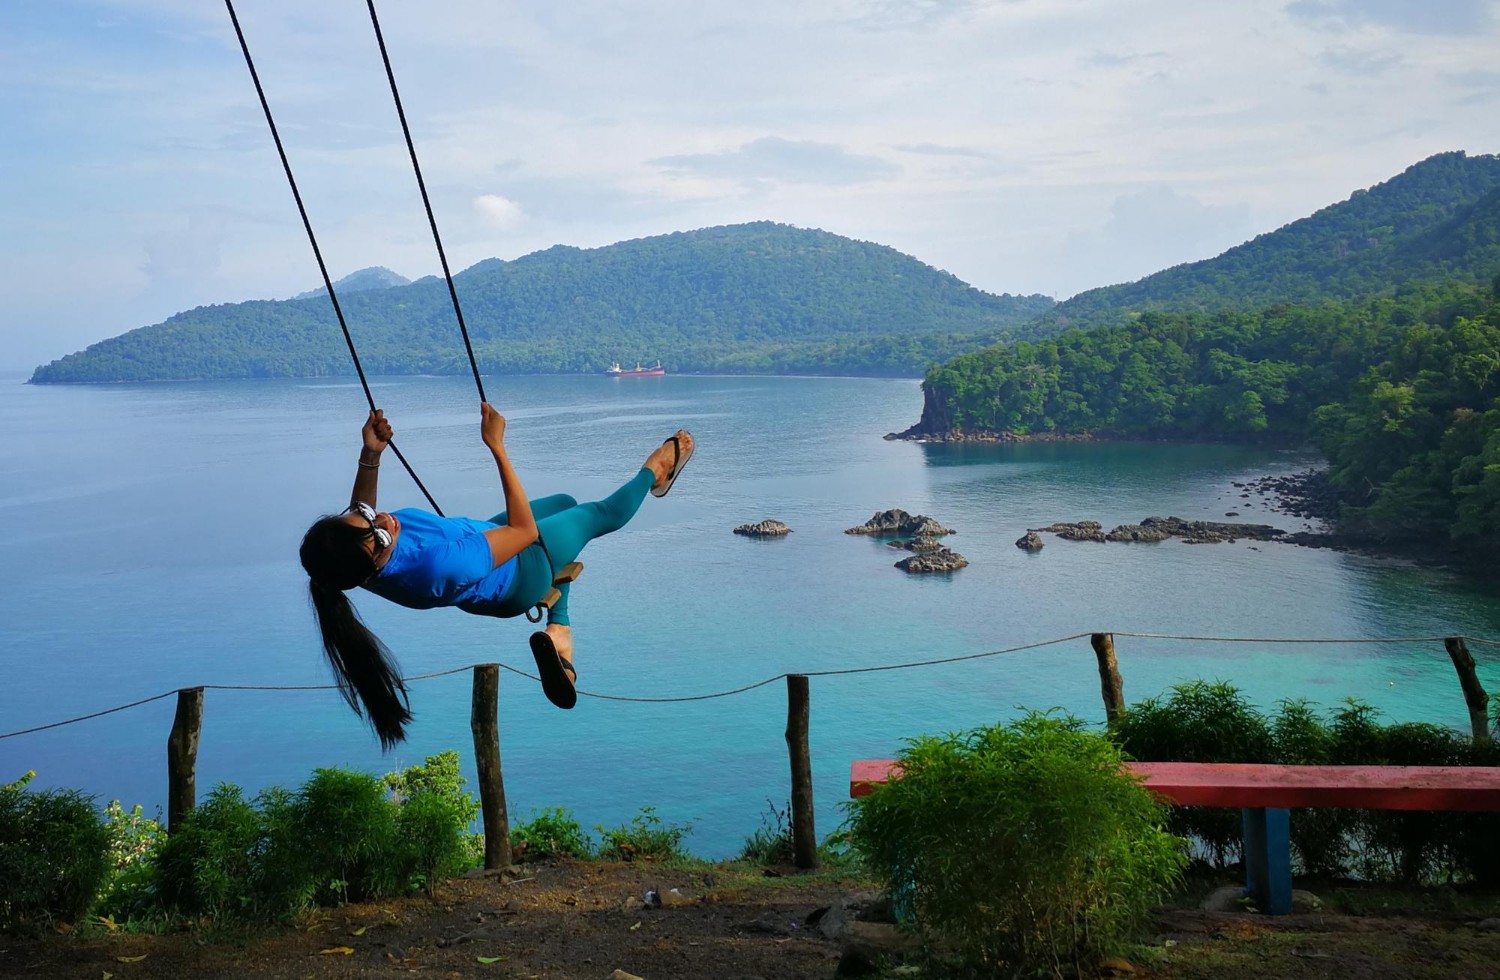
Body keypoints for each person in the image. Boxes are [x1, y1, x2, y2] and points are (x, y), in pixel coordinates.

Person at [299, 403, 694, 749]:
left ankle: (561, 632)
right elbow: (524, 534)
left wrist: (370, 455)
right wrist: (497, 448)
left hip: (481, 546)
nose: (381, 517)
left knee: (564, 504)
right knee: (595, 515)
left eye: (366, 516)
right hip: (520, 575)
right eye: (380, 534)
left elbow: (360, 518)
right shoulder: (438, 566)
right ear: (370, 567)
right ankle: (656, 471)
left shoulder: (353, 562)